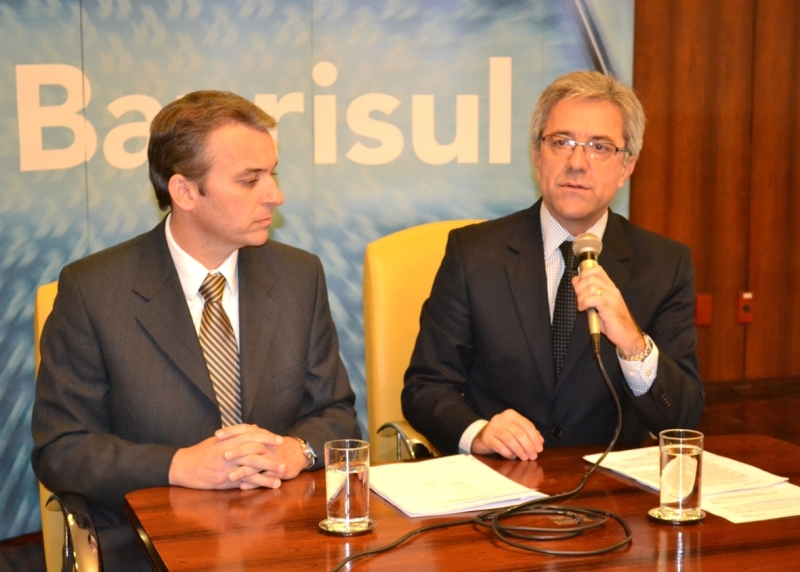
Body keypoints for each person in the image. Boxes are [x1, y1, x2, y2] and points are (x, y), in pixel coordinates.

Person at [31, 90, 360, 571]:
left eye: (273, 173)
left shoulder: (298, 276)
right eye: (251, 180)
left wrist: (295, 451)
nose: (275, 195)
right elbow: (62, 448)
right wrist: (178, 466)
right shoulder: (93, 289)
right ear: (184, 192)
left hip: (285, 538)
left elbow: (337, 414)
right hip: (146, 543)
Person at [402, 70, 703, 460]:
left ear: (627, 167)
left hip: (610, 492)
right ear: (536, 155)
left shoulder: (664, 265)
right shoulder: (474, 253)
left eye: (600, 147)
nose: (577, 162)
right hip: (499, 489)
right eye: (561, 142)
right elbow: (425, 388)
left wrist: (632, 341)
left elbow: (682, 419)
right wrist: (478, 433)